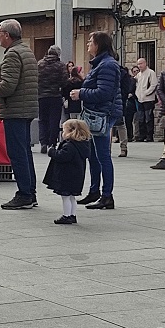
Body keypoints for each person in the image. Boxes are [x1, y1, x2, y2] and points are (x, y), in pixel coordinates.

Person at [0, 19, 39, 210]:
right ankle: (30, 192)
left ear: (7, 34)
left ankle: (24, 194)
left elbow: (8, 85)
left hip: (16, 110)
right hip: (25, 109)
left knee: (17, 153)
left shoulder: (13, 54)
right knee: (25, 152)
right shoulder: (26, 51)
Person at [71, 31, 122, 210]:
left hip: (102, 114)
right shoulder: (101, 63)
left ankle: (107, 195)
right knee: (93, 155)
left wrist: (81, 93)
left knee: (102, 156)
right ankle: (95, 191)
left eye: (90, 42)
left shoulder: (107, 65)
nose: (88, 45)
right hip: (96, 114)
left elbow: (104, 93)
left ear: (99, 45)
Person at [43, 119, 91, 225]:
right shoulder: (82, 145)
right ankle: (72, 215)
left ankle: (66, 215)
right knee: (72, 197)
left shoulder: (70, 146)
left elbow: (61, 156)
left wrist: (52, 152)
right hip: (76, 176)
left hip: (66, 176)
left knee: (65, 197)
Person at [37, 45, 69, 153]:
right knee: (54, 121)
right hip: (55, 96)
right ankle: (52, 143)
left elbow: (36, 79)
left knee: (42, 120)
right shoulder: (60, 65)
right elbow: (65, 81)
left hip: (41, 96)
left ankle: (43, 142)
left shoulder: (40, 64)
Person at [112, 60, 135, 157]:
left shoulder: (123, 73)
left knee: (120, 124)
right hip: (110, 100)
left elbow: (126, 88)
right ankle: (108, 148)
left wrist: (121, 98)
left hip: (118, 101)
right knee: (109, 126)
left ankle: (123, 147)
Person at [134, 58, 158, 141]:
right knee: (141, 118)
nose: (139, 65)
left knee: (148, 118)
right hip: (140, 99)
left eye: (141, 63)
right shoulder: (138, 75)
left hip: (149, 99)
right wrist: (137, 94)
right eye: (138, 64)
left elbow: (153, 85)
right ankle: (142, 135)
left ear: (145, 63)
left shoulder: (151, 73)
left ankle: (149, 136)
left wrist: (146, 93)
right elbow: (136, 85)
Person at [125, 65, 139, 141]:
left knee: (136, 120)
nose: (136, 72)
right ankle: (130, 136)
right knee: (128, 120)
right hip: (130, 102)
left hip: (135, 101)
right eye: (134, 71)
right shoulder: (131, 80)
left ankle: (133, 135)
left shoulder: (132, 80)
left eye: (137, 71)